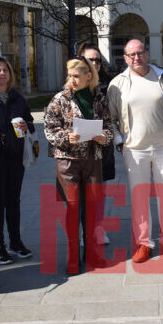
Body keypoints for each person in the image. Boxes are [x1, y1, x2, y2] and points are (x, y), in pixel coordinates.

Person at [108, 40, 163, 263]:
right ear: (124, 58)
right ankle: (144, 243)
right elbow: (111, 118)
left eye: (140, 53)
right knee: (139, 197)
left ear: (147, 53)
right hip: (134, 150)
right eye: (131, 54)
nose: (136, 58)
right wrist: (120, 142)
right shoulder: (118, 84)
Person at [44, 57, 113, 274]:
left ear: (88, 76)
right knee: (73, 209)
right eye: (70, 76)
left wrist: (105, 137)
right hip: (68, 162)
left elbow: (110, 125)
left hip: (93, 158)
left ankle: (92, 254)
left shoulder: (99, 98)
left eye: (76, 76)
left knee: (92, 210)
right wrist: (67, 137)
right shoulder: (60, 99)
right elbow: (49, 129)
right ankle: (73, 258)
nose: (72, 80)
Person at [0, 57, 35, 265]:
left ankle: (16, 242)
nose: (3, 74)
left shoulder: (17, 99)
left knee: (14, 201)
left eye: (6, 70)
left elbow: (30, 122)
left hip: (15, 156)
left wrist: (25, 126)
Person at [79, 43, 114, 246]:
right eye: (90, 59)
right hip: (80, 149)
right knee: (83, 192)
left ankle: (99, 229)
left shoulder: (110, 85)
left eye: (98, 60)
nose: (95, 63)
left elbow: (115, 116)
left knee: (99, 192)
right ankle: (85, 231)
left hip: (103, 148)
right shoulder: (74, 85)